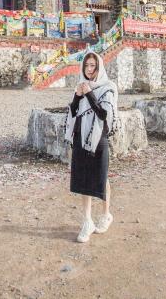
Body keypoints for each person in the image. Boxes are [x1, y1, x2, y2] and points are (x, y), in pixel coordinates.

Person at [65, 52, 118, 243]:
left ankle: (106, 214)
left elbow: (104, 114)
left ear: (99, 67)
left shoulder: (108, 87)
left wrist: (88, 93)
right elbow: (72, 112)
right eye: (86, 65)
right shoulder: (80, 85)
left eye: (93, 66)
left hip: (99, 137)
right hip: (81, 136)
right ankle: (87, 221)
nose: (89, 69)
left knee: (101, 176)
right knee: (84, 177)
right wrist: (78, 97)